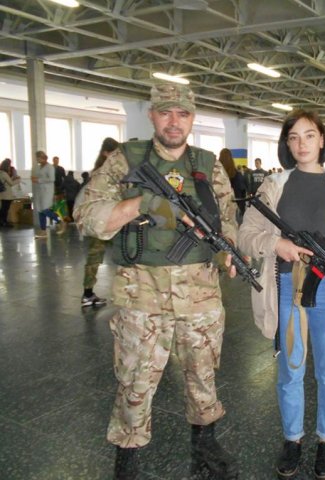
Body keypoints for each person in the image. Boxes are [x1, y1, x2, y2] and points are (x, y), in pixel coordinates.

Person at [73, 83, 240, 480]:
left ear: (193, 118)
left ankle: (205, 444)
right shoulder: (126, 159)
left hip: (200, 295)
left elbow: (228, 220)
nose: (174, 121)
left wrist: (229, 250)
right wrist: (143, 204)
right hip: (141, 296)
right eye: (165, 112)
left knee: (203, 374)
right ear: (151, 115)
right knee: (135, 380)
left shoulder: (209, 165)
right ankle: (127, 455)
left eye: (182, 114)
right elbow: (86, 216)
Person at [238, 109, 325, 480]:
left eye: (309, 135)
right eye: (293, 137)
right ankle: (292, 439)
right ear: (287, 144)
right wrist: (276, 244)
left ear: (322, 140)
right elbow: (247, 235)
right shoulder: (273, 185)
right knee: (290, 370)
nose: (302, 144)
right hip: (285, 285)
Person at [79, 137, 120, 307]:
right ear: (105, 153)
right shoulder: (104, 173)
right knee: (122, 256)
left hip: (104, 219)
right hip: (106, 220)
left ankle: (88, 293)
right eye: (114, 153)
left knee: (95, 257)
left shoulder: (98, 171)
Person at [31, 150, 60, 238]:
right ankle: (43, 231)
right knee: (40, 211)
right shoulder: (38, 167)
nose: (37, 160)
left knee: (44, 209)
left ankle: (59, 220)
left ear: (43, 158)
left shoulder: (49, 167)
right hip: (39, 191)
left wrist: (39, 180)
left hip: (47, 191)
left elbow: (52, 179)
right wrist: (34, 178)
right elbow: (36, 177)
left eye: (38, 158)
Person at [218, 148, 247, 217]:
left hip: (219, 207)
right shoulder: (237, 174)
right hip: (233, 207)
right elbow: (242, 192)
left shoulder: (217, 174)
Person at [0, 158, 21, 227]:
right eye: (9, 165)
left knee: (3, 208)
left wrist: (12, 179)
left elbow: (6, 181)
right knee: (5, 209)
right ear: (7, 166)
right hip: (7, 194)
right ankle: (4, 222)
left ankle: (2, 221)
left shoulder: (1, 173)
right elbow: (11, 184)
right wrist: (18, 180)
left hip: (2, 193)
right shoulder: (5, 174)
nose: (10, 167)